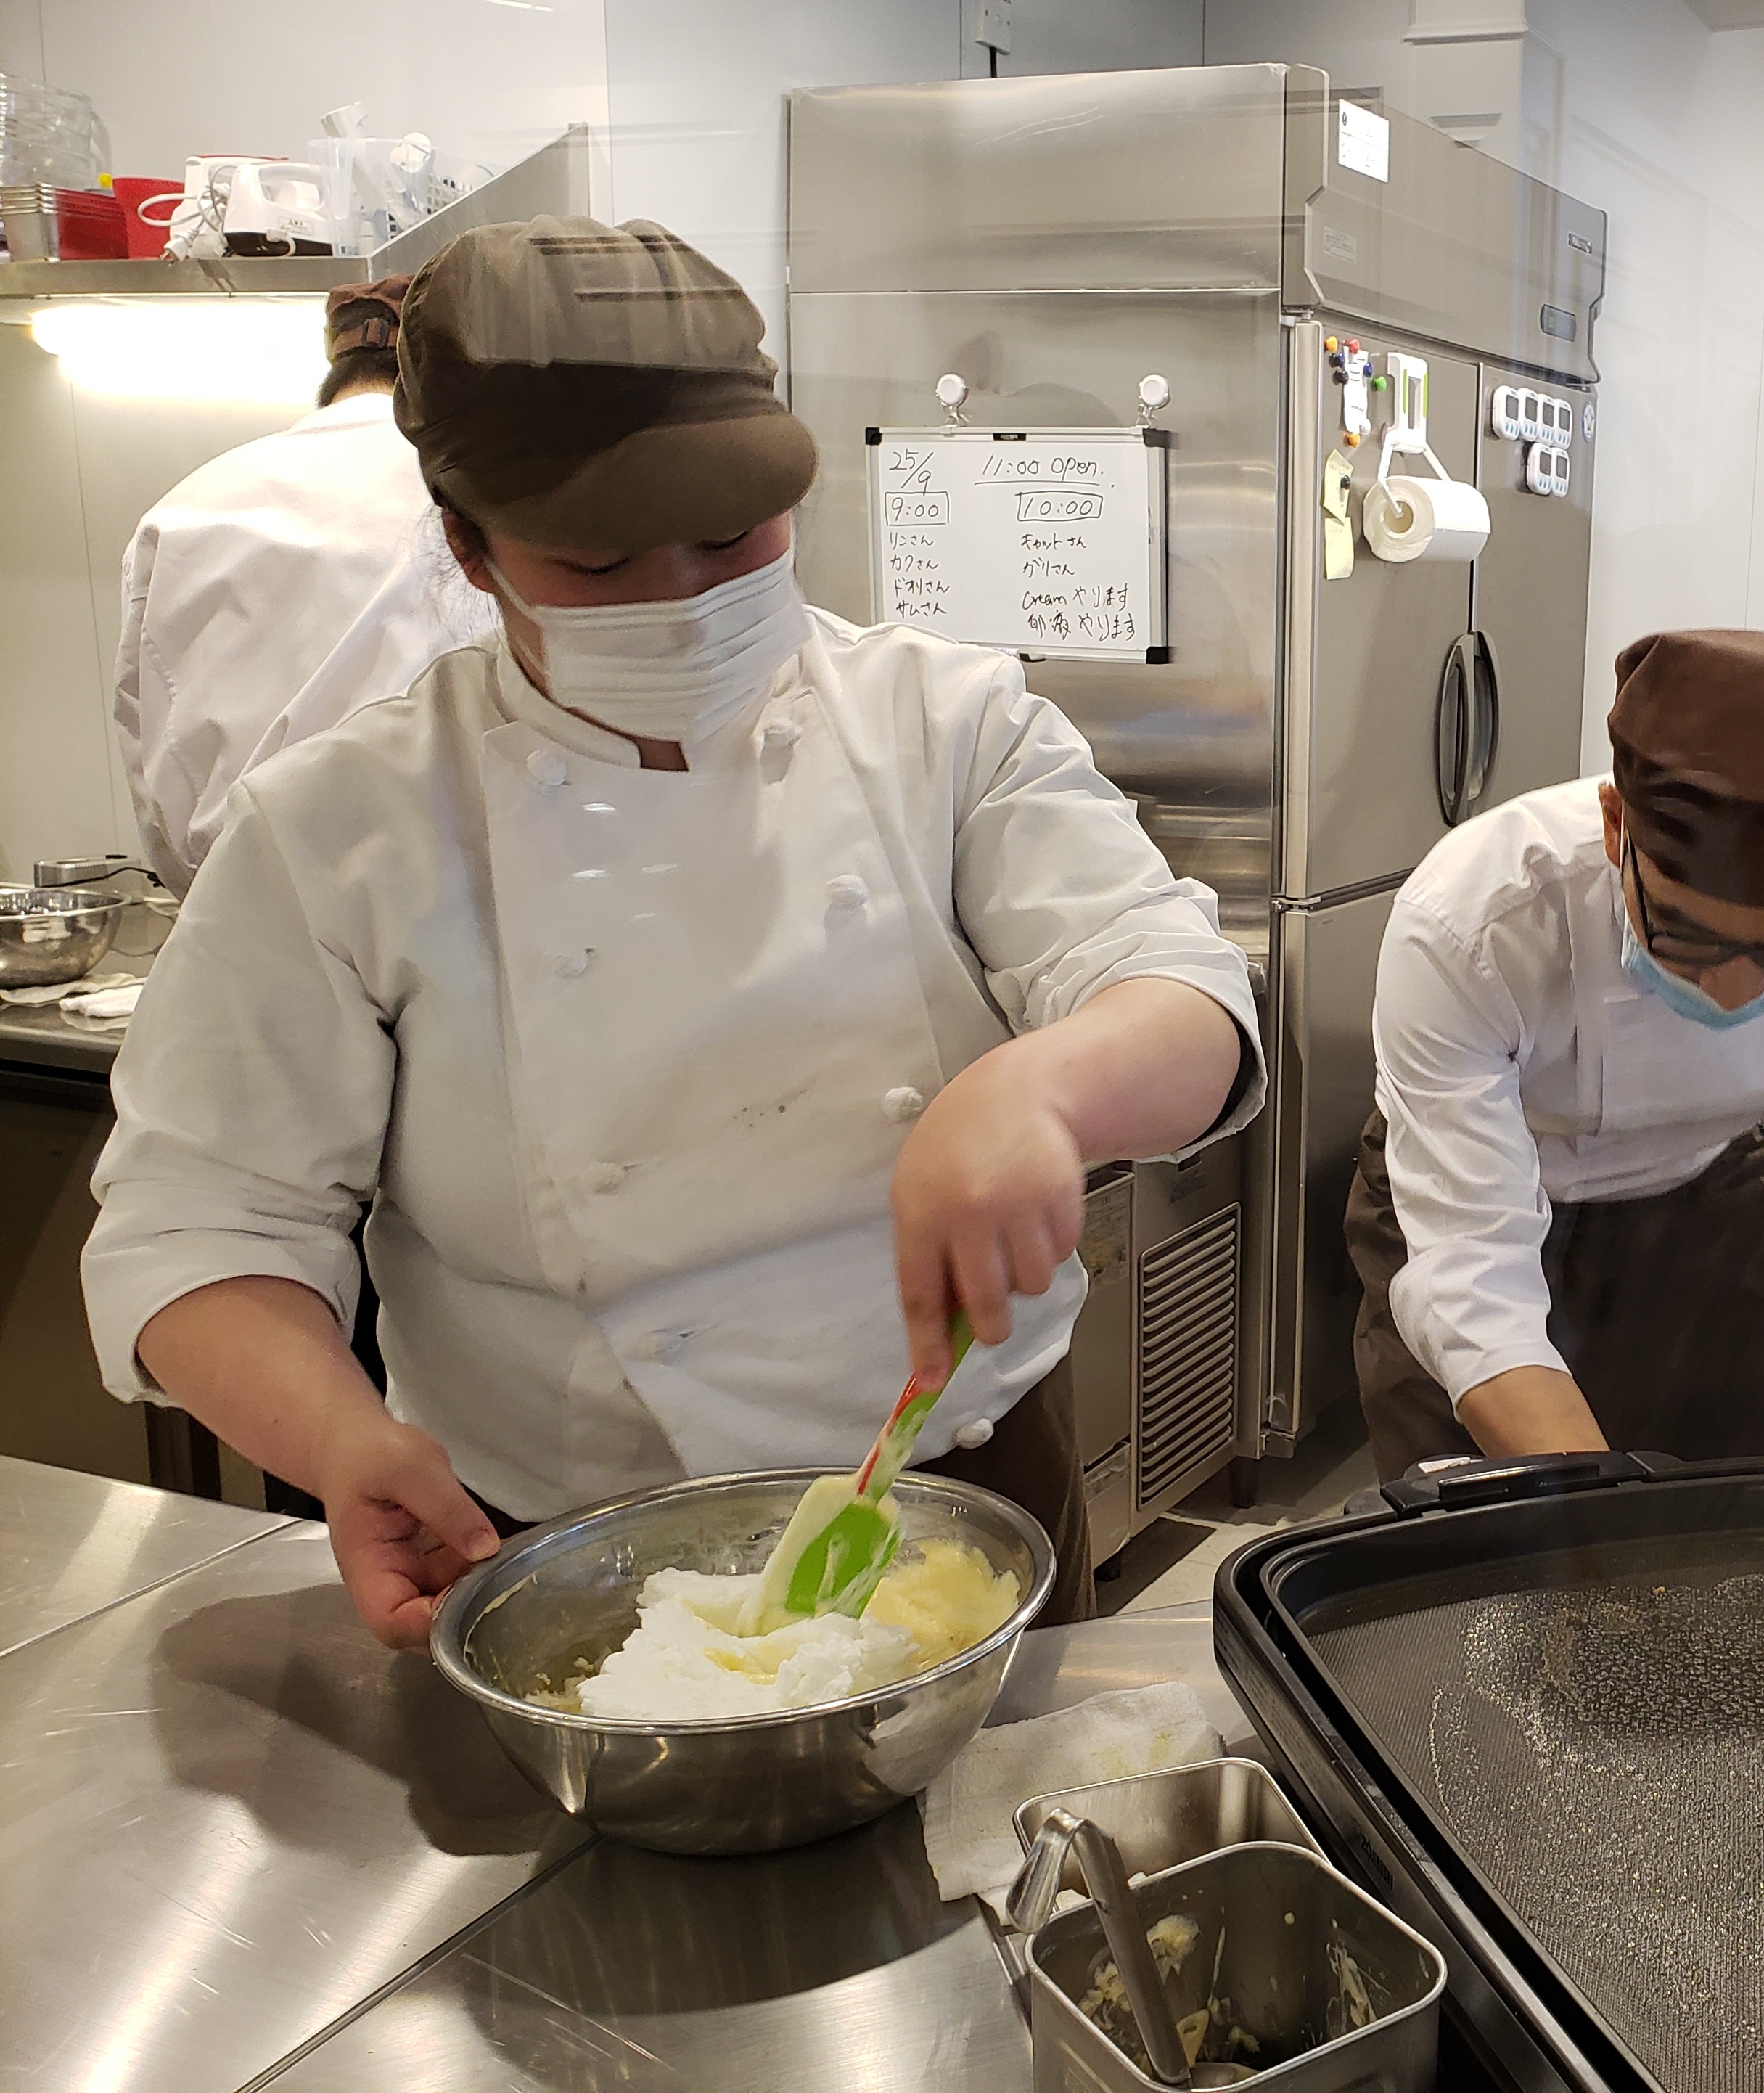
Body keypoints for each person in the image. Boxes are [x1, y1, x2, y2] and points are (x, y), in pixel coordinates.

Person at [81, 218, 1261, 1644]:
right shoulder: (346, 825)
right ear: (465, 546)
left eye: (729, 535)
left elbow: (1182, 993)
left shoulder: (941, 721)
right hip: (559, 1540)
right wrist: (340, 1440)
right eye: (595, 559)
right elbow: (200, 1224)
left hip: (962, 1483)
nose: (683, 599)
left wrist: (1040, 1087)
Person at [1345, 628, 1764, 1481]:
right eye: (1690, 937)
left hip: (1708, 1198)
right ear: (1614, 824)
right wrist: (1600, 1520)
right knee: (1498, 1559)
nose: (1736, 993)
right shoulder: (1473, 918)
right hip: (1483, 1184)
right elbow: (1473, 1269)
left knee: (1739, 1520)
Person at [112, 277, 496, 896]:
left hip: (246, 909)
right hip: (463, 908)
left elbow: (149, 762)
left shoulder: (184, 511)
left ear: (334, 367)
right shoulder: (488, 496)